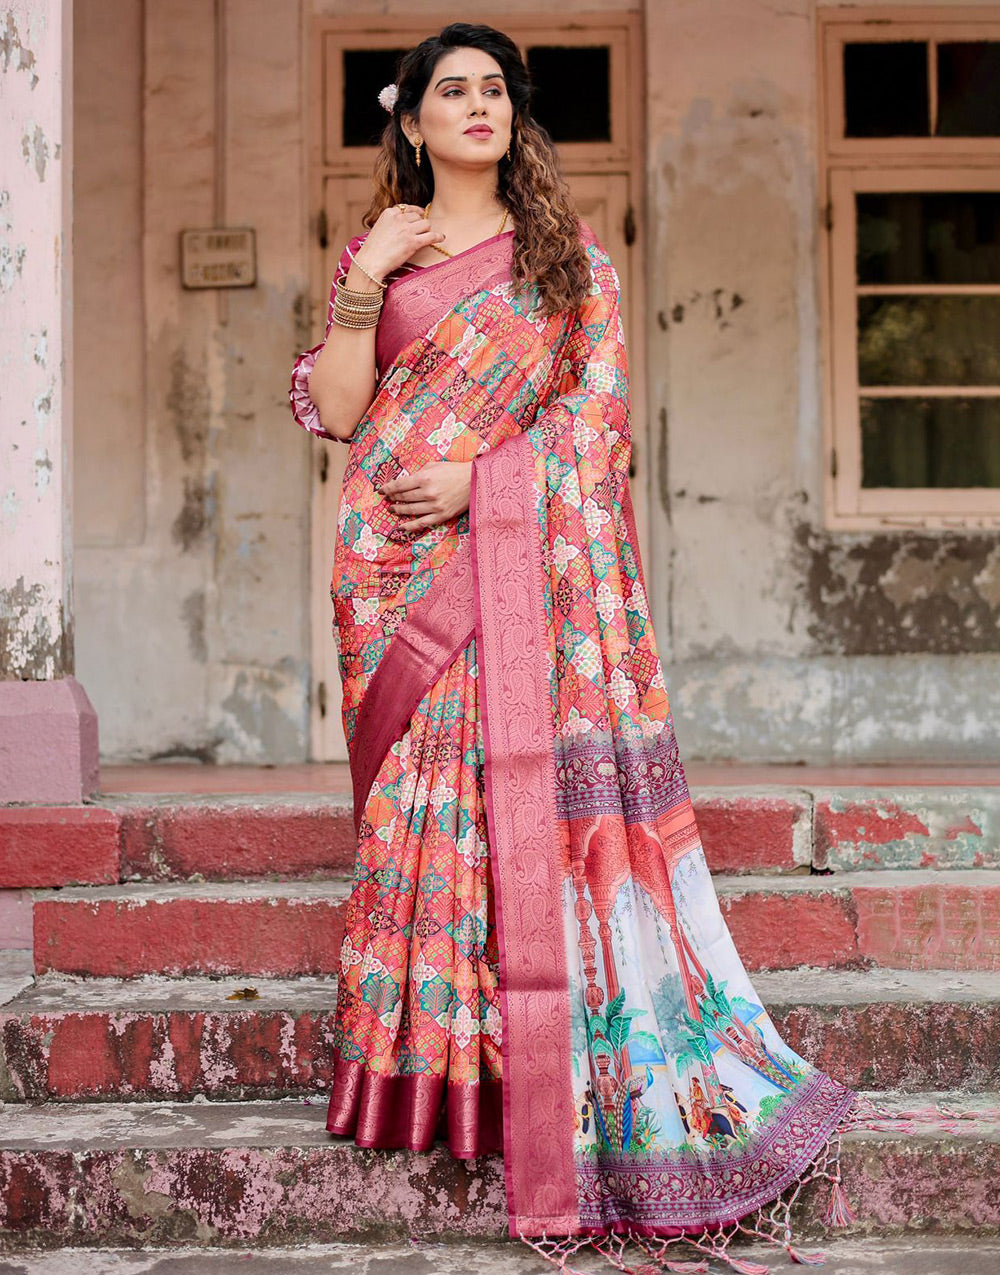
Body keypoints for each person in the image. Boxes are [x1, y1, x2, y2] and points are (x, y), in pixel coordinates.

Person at [289, 21, 890, 1273]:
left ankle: (532, 1082)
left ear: (517, 116)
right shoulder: (384, 253)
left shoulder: (570, 265)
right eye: (448, 90)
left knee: (504, 805)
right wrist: (362, 285)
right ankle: (426, 1083)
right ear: (407, 120)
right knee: (421, 815)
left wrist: (476, 484)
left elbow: (599, 429)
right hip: (389, 580)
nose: (474, 107)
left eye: (493, 90)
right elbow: (340, 414)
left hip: (501, 564)